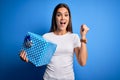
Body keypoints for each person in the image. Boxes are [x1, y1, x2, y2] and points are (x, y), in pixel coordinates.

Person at [20, 3, 89, 80]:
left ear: (69, 18)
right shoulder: (46, 37)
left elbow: (82, 62)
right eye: (59, 15)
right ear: (55, 18)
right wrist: (27, 58)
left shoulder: (74, 37)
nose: (63, 18)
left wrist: (83, 36)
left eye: (66, 15)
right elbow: (38, 59)